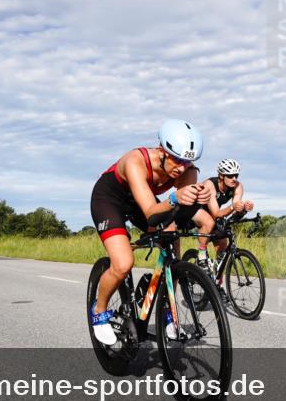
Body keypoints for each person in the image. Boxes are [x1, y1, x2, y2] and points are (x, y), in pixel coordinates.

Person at [89, 120, 211, 345]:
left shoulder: (187, 170)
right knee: (123, 263)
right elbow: (151, 213)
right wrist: (175, 197)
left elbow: (181, 212)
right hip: (110, 199)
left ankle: (169, 308)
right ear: (162, 151)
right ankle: (99, 310)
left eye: (188, 161)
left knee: (172, 233)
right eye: (177, 159)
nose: (181, 168)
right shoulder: (136, 161)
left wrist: (199, 198)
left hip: (141, 201)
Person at [190, 158, 254, 275]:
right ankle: (201, 256)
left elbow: (235, 209)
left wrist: (243, 208)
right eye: (230, 176)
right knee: (209, 222)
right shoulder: (210, 185)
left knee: (223, 243)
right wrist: (232, 207)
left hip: (211, 213)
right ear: (221, 176)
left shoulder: (238, 186)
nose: (234, 178)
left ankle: (216, 277)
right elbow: (216, 213)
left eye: (236, 175)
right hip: (193, 210)